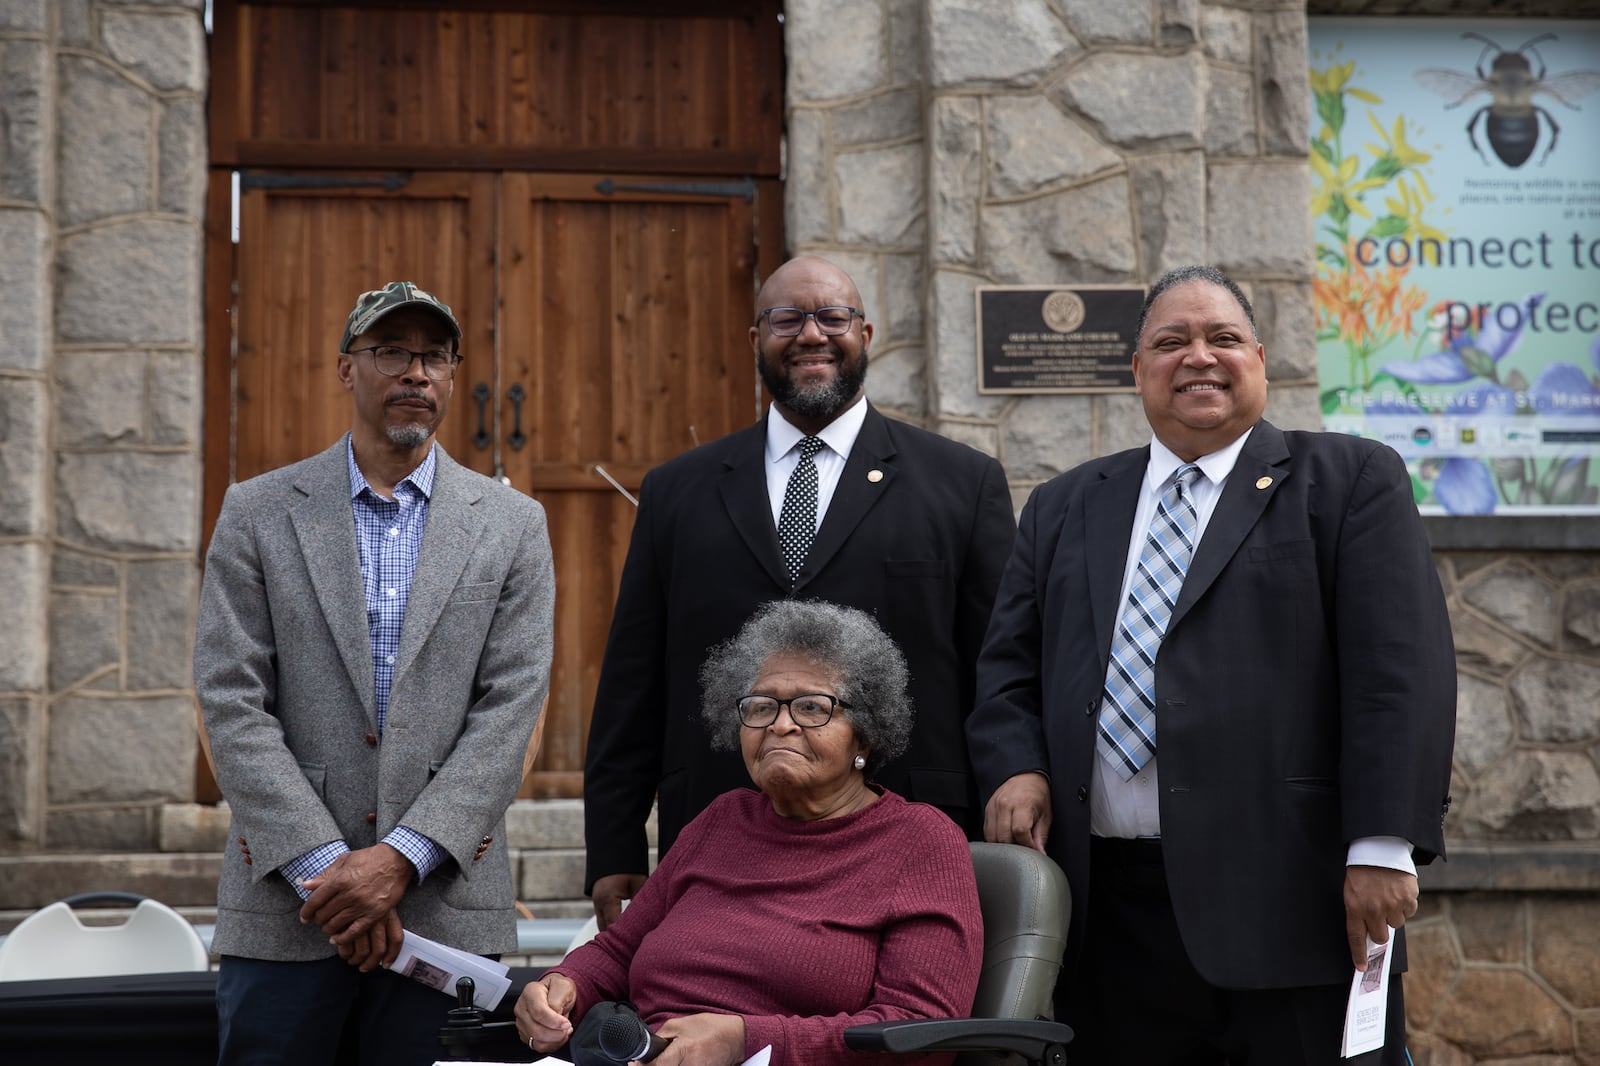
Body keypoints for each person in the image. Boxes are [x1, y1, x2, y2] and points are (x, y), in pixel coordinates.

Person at [967, 265, 1455, 1064]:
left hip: (1289, 906)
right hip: (1107, 918)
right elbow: (1008, 670)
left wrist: (1381, 845)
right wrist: (1015, 768)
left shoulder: (1347, 481)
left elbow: (1398, 674)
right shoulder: (1064, 504)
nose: (1198, 356)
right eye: (1171, 342)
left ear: (1260, 358)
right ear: (1137, 371)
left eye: (1222, 338)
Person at [582, 254, 1016, 927]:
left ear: (865, 335)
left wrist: (1015, 782)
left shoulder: (962, 485)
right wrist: (612, 845)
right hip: (715, 835)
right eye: (788, 318)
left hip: (907, 835)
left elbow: (1000, 670)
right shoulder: (679, 491)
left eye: (832, 317)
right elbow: (632, 683)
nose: (811, 334)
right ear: (757, 340)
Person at [194, 281, 556, 1066]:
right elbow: (230, 701)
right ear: (346, 369)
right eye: (391, 350)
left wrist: (398, 861)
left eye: (434, 355)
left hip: (445, 910)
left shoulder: (513, 525)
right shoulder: (258, 512)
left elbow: (513, 709)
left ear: (455, 374)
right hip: (287, 910)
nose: (415, 372)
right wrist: (332, 876)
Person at [518, 599, 983, 1066]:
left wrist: (747, 1039)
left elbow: (919, 1032)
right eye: (761, 707)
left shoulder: (920, 841)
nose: (781, 725)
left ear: (864, 734)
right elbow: (619, 950)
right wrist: (563, 985)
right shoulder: (723, 819)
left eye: (811, 707)